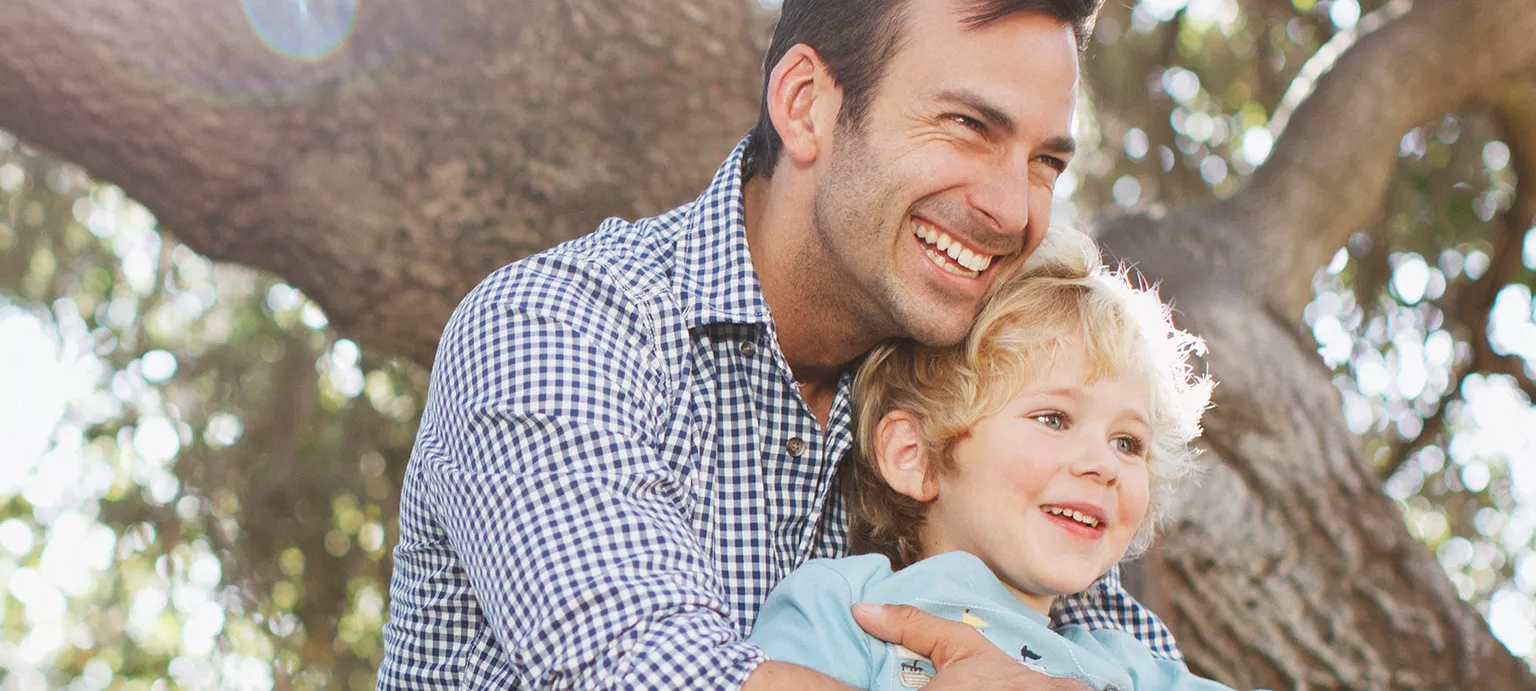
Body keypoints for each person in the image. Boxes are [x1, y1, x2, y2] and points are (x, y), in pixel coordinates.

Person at [379, 0, 1184, 688]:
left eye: (1045, 162)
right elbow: (645, 666)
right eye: (969, 126)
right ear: (805, 105)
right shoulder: (555, 326)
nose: (1014, 210)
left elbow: (1115, 647)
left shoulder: (975, 393)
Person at [746, 227, 1224, 690]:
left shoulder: (1131, 668)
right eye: (1054, 419)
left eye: (1128, 443)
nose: (1104, 465)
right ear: (914, 455)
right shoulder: (844, 605)